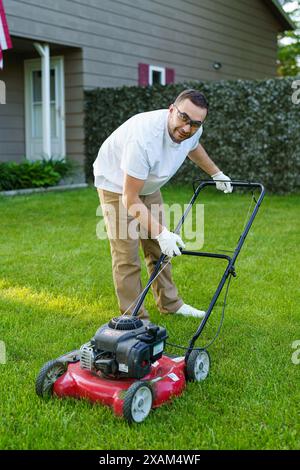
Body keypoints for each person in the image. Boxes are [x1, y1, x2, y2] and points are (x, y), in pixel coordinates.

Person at [93, 89, 232, 320]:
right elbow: (130, 198)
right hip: (117, 186)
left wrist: (216, 174)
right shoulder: (144, 138)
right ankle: (134, 319)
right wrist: (162, 233)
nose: (187, 128)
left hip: (146, 183)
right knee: (127, 256)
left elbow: (193, 147)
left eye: (195, 124)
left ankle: (171, 304)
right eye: (183, 118)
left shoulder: (192, 129)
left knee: (159, 249)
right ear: (171, 110)